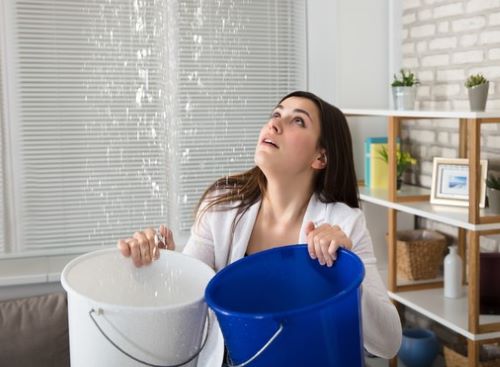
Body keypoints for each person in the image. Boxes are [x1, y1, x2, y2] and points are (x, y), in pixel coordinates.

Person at [118, 90, 402, 359]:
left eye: (298, 120)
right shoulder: (221, 208)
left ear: (320, 157)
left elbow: (389, 343)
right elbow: (186, 309)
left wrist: (345, 271)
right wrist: (164, 266)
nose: (275, 124)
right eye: (276, 114)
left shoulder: (344, 223)